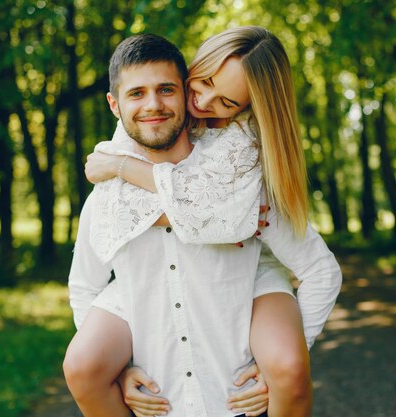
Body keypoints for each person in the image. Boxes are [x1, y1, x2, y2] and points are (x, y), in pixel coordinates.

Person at [63, 29, 342, 417]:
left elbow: (318, 270)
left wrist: (278, 368)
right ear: (114, 105)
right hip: (158, 376)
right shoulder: (109, 195)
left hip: (235, 360)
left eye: (167, 90)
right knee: (80, 365)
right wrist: (119, 371)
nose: (203, 101)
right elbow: (85, 286)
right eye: (204, 83)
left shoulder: (241, 182)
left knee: (290, 369)